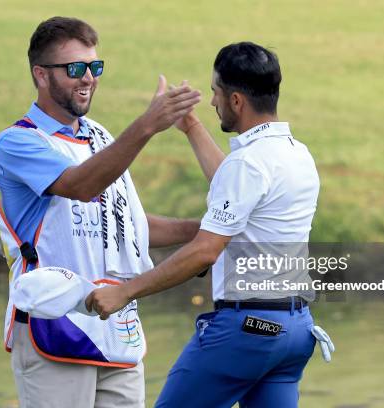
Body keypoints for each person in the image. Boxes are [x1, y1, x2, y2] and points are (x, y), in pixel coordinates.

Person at [87, 42, 333, 407]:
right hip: (294, 331)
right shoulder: (296, 153)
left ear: (236, 101)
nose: (213, 102)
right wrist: (190, 125)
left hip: (248, 332)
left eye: (215, 93)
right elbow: (235, 189)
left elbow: (204, 250)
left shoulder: (248, 162)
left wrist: (124, 292)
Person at [0, 16, 201, 408]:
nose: (88, 78)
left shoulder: (99, 136)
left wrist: (203, 230)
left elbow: (127, 226)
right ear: (41, 75)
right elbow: (82, 187)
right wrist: (147, 126)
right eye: (74, 69)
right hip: (53, 328)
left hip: (117, 328)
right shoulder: (17, 144)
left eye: (94, 67)